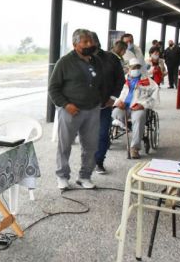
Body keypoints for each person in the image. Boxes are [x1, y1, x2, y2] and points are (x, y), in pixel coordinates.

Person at [49, 28, 104, 190]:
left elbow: (100, 83)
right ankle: (62, 176)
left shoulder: (96, 61)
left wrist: (102, 100)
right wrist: (66, 105)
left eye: (91, 41)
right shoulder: (65, 62)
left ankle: (85, 176)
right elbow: (53, 88)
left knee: (91, 146)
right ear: (75, 45)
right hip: (70, 110)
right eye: (85, 42)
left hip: (92, 110)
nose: (90, 44)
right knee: (65, 145)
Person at [91, 32, 125, 174]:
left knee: (103, 134)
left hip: (105, 105)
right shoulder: (77, 60)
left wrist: (113, 97)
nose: (87, 45)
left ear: (97, 42)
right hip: (85, 106)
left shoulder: (111, 59)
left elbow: (120, 79)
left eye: (90, 41)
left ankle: (99, 161)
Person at [112, 58, 159, 159]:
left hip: (138, 107)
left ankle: (134, 148)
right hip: (123, 107)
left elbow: (154, 98)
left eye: (138, 67)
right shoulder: (121, 80)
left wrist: (143, 105)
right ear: (128, 68)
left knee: (139, 118)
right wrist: (117, 102)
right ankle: (125, 125)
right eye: (133, 67)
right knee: (114, 113)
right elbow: (113, 94)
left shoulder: (148, 81)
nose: (136, 69)